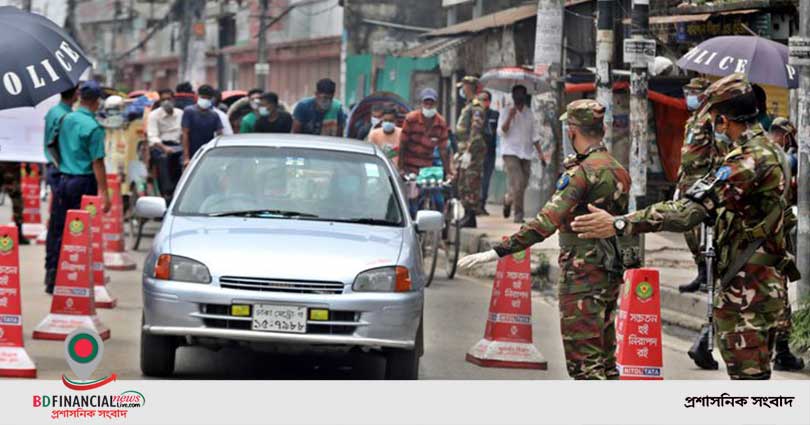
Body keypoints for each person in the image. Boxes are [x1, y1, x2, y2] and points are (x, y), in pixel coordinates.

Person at [571, 74, 798, 380]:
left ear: (723, 120)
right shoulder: (773, 152)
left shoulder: (748, 161)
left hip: (747, 293)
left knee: (749, 385)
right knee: (755, 379)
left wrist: (620, 223)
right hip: (763, 285)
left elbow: (688, 210)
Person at [458, 99, 631, 380]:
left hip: (582, 276)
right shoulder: (618, 169)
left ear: (573, 131)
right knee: (606, 362)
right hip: (609, 272)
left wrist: (498, 252)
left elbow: (544, 223)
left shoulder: (581, 173)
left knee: (585, 366)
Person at [673, 77, 726, 370]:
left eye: (693, 92)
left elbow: (719, 150)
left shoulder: (712, 119)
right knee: (689, 234)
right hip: (689, 182)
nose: (689, 96)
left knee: (706, 241)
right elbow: (686, 155)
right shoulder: (693, 119)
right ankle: (701, 272)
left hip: (706, 186)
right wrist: (680, 184)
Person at [45, 80, 111, 294]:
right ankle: (73, 276)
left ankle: (52, 274)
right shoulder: (94, 128)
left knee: (57, 228)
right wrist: (105, 193)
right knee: (79, 231)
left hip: (62, 179)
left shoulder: (65, 119)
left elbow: (52, 147)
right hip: (83, 182)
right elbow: (97, 162)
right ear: (96, 101)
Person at [765, 117, 805, 372]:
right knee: (775, 293)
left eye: (780, 133)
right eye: (774, 132)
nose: (775, 136)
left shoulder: (788, 158)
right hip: (769, 239)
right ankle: (779, 352)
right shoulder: (773, 159)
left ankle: (778, 351)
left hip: (776, 235)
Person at [499, 85, 542, 223]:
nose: (519, 96)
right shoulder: (506, 111)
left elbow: (534, 135)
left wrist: (541, 154)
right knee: (518, 183)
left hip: (526, 153)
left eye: (522, 93)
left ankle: (508, 199)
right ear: (513, 95)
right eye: (516, 93)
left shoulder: (529, 113)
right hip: (510, 152)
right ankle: (519, 215)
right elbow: (502, 131)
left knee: (522, 185)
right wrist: (510, 117)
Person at [398, 88, 452, 180]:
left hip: (426, 168)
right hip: (409, 166)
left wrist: (448, 173)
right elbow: (402, 144)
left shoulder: (441, 123)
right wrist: (400, 168)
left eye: (431, 104)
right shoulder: (411, 119)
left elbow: (443, 150)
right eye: (426, 103)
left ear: (436, 104)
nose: (428, 106)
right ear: (421, 104)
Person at [455, 87, 487, 228]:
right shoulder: (468, 105)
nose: (462, 90)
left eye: (464, 86)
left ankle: (471, 216)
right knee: (463, 182)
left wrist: (468, 150)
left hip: (473, 151)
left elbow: (476, 129)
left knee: (471, 182)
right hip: (465, 150)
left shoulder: (476, 107)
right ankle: (467, 214)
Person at [146, 88, 184, 200]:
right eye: (163, 100)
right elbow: (152, 137)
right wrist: (164, 148)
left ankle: (181, 190)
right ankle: (167, 192)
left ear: (173, 99)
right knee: (163, 159)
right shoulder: (154, 115)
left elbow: (185, 133)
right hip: (160, 147)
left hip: (178, 146)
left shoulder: (180, 113)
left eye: (168, 99)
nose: (166, 102)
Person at [181, 84, 223, 167]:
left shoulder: (214, 115)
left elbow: (219, 135)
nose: (205, 100)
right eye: (203, 97)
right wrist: (186, 157)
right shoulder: (189, 111)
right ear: (198, 96)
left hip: (208, 153)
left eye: (208, 98)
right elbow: (185, 134)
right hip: (192, 152)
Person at [479, 90, 500, 215]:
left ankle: (482, 204)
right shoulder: (475, 113)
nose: (484, 102)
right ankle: (474, 205)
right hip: (477, 153)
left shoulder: (494, 115)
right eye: (481, 99)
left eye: (486, 100)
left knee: (486, 180)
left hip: (490, 152)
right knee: (476, 180)